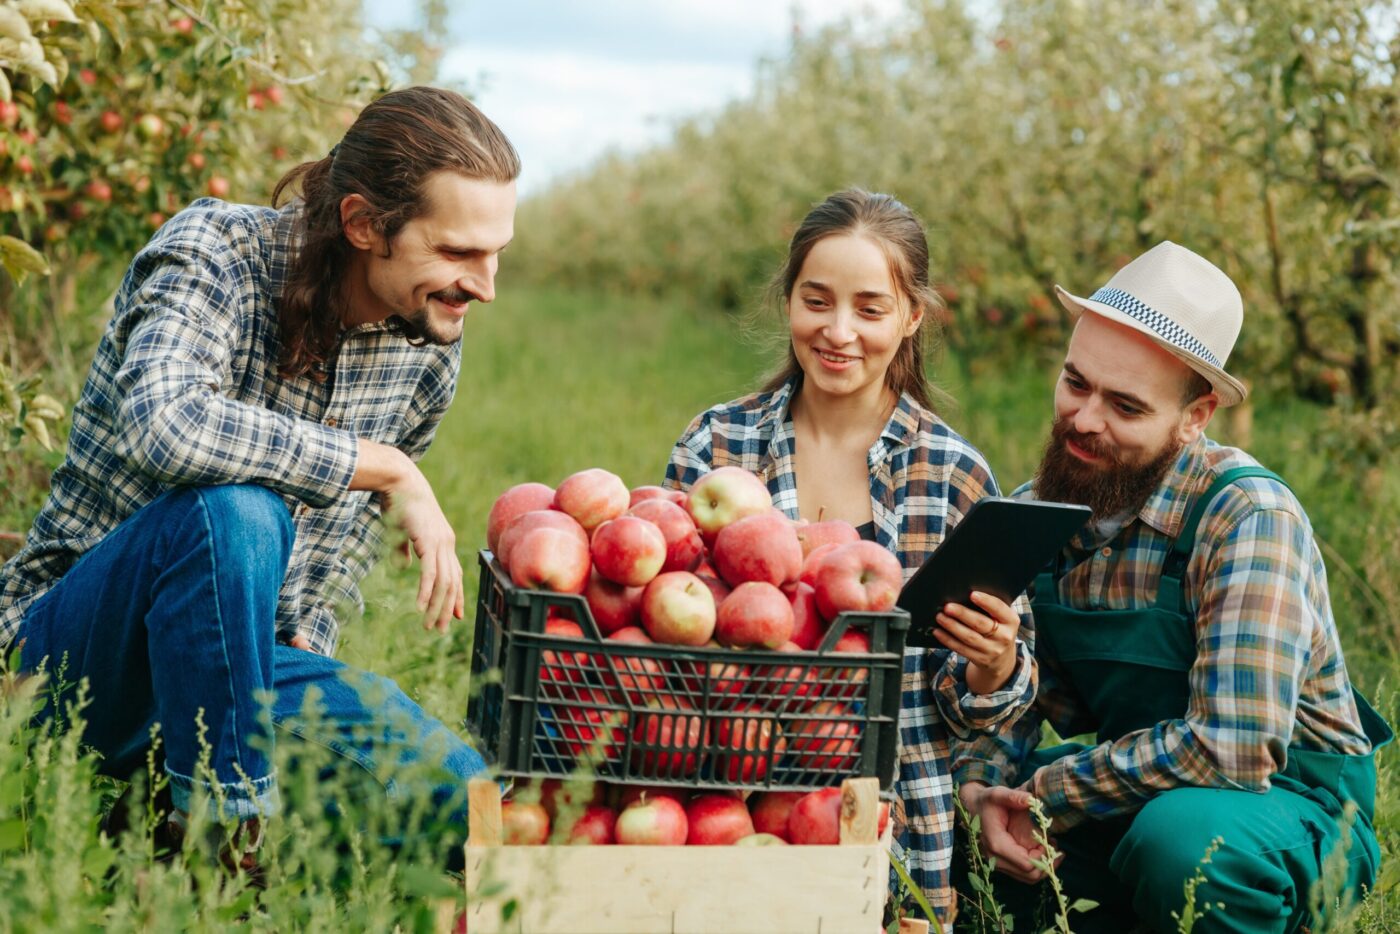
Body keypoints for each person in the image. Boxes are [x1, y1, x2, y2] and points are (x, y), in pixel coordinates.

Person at [0, 86, 518, 874]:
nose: (485, 284)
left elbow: (346, 543)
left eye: (495, 253)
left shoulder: (427, 342)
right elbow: (165, 423)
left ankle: (181, 798)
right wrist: (379, 464)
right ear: (362, 224)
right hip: (73, 661)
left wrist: (313, 631)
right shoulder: (217, 251)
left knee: (465, 797)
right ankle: (220, 844)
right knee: (237, 513)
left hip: (238, 674)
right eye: (457, 253)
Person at [951, 241, 1391, 932]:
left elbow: (1234, 748)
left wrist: (1045, 793)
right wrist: (980, 789)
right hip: (1144, 790)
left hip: (1286, 810)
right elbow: (1023, 696)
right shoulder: (1041, 512)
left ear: (1195, 417)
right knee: (948, 827)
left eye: (1125, 406)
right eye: (1075, 383)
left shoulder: (1246, 517)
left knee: (1184, 844)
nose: (1084, 419)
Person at [665, 189, 1036, 922]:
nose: (839, 332)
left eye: (870, 309)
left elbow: (990, 708)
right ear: (788, 301)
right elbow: (668, 634)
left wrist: (994, 664)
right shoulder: (717, 447)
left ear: (912, 317)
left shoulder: (952, 475)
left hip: (894, 825)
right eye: (817, 301)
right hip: (734, 801)